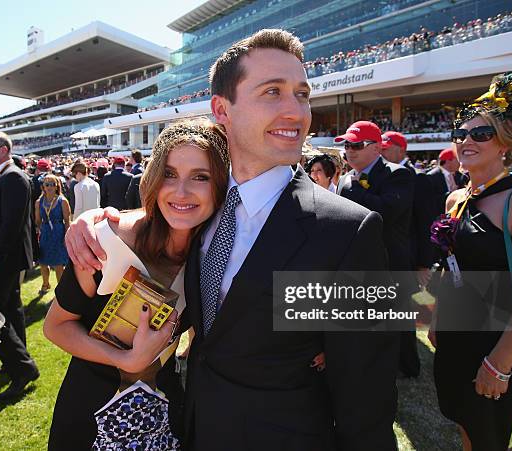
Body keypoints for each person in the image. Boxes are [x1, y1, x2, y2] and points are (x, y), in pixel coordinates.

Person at [66, 29, 399, 451]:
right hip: (192, 427)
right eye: (272, 92)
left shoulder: (349, 230)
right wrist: (92, 220)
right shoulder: (202, 210)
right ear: (222, 108)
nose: (295, 112)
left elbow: (366, 399)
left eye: (302, 94)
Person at [43, 118, 230, 450]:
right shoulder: (104, 240)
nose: (181, 192)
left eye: (200, 177)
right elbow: (56, 326)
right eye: (170, 174)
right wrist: (125, 360)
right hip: (89, 414)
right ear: (154, 178)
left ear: (219, 186)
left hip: (166, 417)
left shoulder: (214, 254)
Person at [429, 69, 512, 451]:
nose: (467, 140)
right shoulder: (456, 198)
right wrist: (436, 317)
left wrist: (501, 362)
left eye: (480, 133)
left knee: (490, 438)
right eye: (461, 133)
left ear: (505, 144)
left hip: (497, 342)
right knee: (465, 423)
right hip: (456, 337)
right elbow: (449, 266)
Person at [336, 121, 419, 377]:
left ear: (376, 148)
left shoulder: (398, 174)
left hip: (390, 261)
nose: (350, 150)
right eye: (347, 145)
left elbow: (388, 211)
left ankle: (407, 366)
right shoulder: (346, 179)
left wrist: (354, 188)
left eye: (356, 145)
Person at [0, 131, 40, 400]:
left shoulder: (13, 177)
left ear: (3, 150)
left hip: (3, 262)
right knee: (11, 314)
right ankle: (15, 362)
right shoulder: (6, 177)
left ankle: (22, 369)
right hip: (5, 260)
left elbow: (10, 226)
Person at [35, 174, 71, 295]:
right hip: (45, 234)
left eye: (52, 184)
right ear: (43, 187)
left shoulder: (62, 201)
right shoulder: (39, 202)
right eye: (47, 184)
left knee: (58, 264)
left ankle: (60, 289)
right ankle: (45, 284)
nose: (49, 187)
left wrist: (66, 237)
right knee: (43, 262)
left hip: (59, 233)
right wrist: (41, 231)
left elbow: (67, 221)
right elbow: (37, 221)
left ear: (57, 186)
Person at [427, 148, 468, 217]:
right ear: (448, 160)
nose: (461, 163)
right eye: (458, 159)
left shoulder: (461, 176)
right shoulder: (431, 177)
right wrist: (451, 194)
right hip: (439, 217)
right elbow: (430, 201)